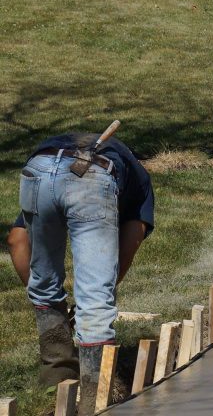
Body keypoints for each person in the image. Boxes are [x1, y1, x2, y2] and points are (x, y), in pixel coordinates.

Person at [7, 132, 154, 414]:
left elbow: (16, 240)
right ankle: (94, 404)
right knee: (96, 303)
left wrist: (55, 310)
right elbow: (131, 238)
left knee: (45, 284)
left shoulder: (54, 159)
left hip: (37, 168)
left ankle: (54, 380)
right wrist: (96, 296)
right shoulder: (140, 180)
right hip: (92, 178)